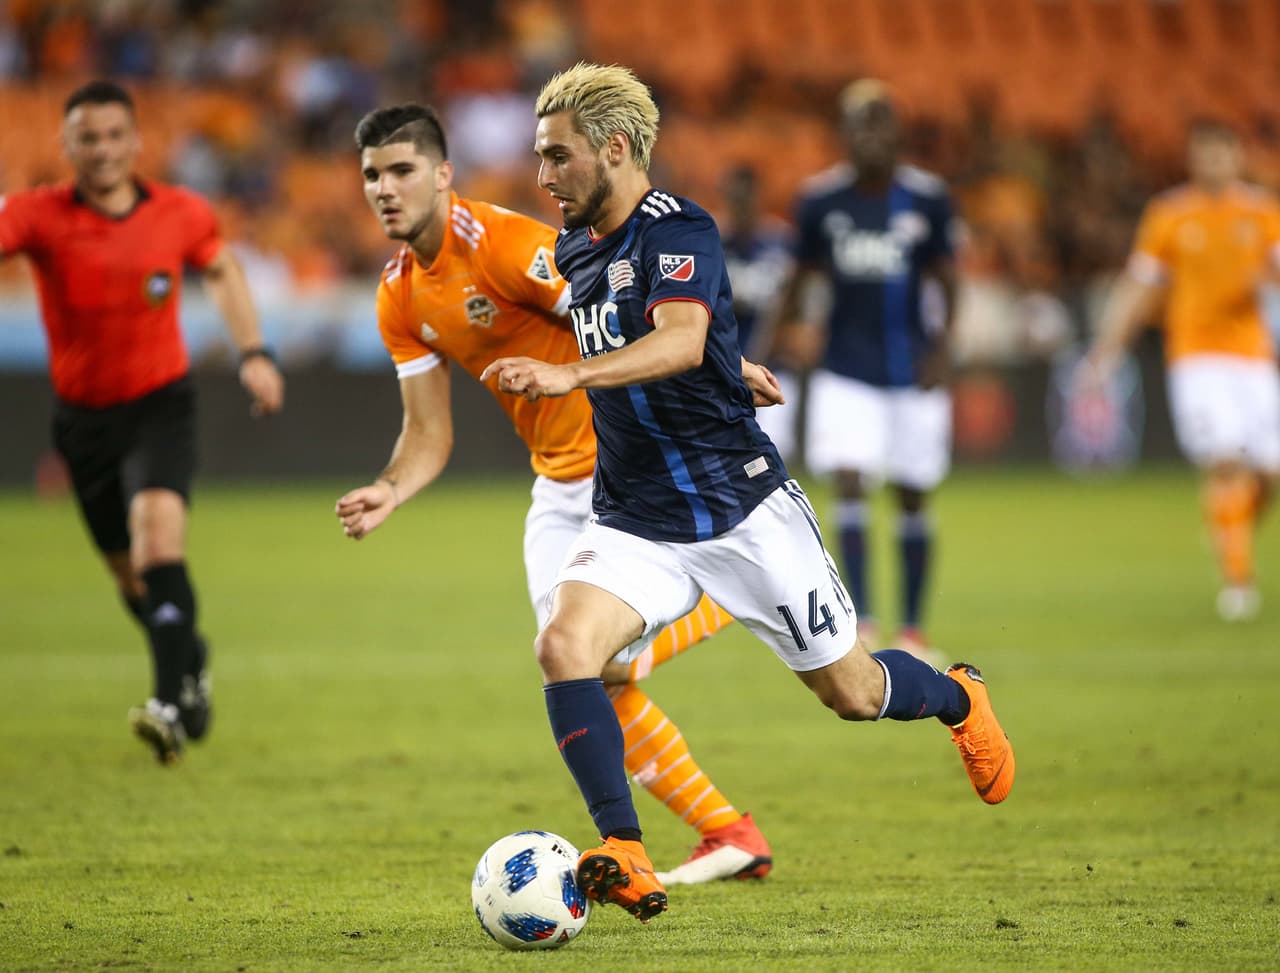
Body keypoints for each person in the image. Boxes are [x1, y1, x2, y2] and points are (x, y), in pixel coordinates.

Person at [483, 62, 1014, 924]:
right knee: (564, 644)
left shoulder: (676, 227)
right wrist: (738, 367)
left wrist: (568, 374)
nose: (543, 177)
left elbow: (683, 336)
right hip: (637, 519)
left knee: (852, 691)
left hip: (743, 509)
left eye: (557, 156)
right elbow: (690, 340)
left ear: (615, 149)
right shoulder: (573, 251)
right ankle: (624, 846)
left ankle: (959, 695)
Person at [334, 103, 776, 883]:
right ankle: (729, 831)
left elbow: (619, 298)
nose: (384, 188)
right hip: (559, 487)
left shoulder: (502, 245)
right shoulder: (400, 295)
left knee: (595, 662)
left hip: (632, 474)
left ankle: (723, 592)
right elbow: (430, 434)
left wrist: (721, 362)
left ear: (442, 174)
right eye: (372, 174)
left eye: (401, 170)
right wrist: (389, 488)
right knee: (575, 666)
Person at [0, 80, 285, 764]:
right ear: (65, 145)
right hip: (82, 421)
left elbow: (221, 271)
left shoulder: (179, 212)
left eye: (112, 136)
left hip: (162, 404)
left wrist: (254, 352)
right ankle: (189, 653)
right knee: (131, 578)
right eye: (86, 138)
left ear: (136, 142)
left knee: (159, 540)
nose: (100, 150)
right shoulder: (36, 214)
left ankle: (166, 702)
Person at [768, 79, 958, 662]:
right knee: (849, 480)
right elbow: (798, 281)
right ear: (844, 135)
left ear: (897, 132)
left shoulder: (927, 198)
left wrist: (944, 349)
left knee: (912, 492)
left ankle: (913, 628)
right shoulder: (821, 201)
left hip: (912, 370)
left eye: (880, 122)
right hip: (845, 370)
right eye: (859, 124)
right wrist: (769, 344)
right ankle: (863, 621)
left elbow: (949, 280)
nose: (871, 135)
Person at [1082, 119, 1280, 621]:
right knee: (1224, 462)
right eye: (1204, 153)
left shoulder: (1262, 213)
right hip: (1197, 360)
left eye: (1221, 153)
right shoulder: (1170, 214)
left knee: (1268, 473)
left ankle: (1227, 528)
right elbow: (1139, 286)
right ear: (1193, 159)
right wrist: (1106, 351)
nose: (1213, 162)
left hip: (1255, 358)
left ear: (1238, 157)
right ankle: (1238, 582)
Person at [719, 164, 797, 463]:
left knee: (773, 458)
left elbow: (797, 302)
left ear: (757, 198)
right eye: (734, 198)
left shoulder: (782, 243)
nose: (740, 206)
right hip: (724, 371)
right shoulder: (711, 243)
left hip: (773, 367)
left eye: (745, 198)